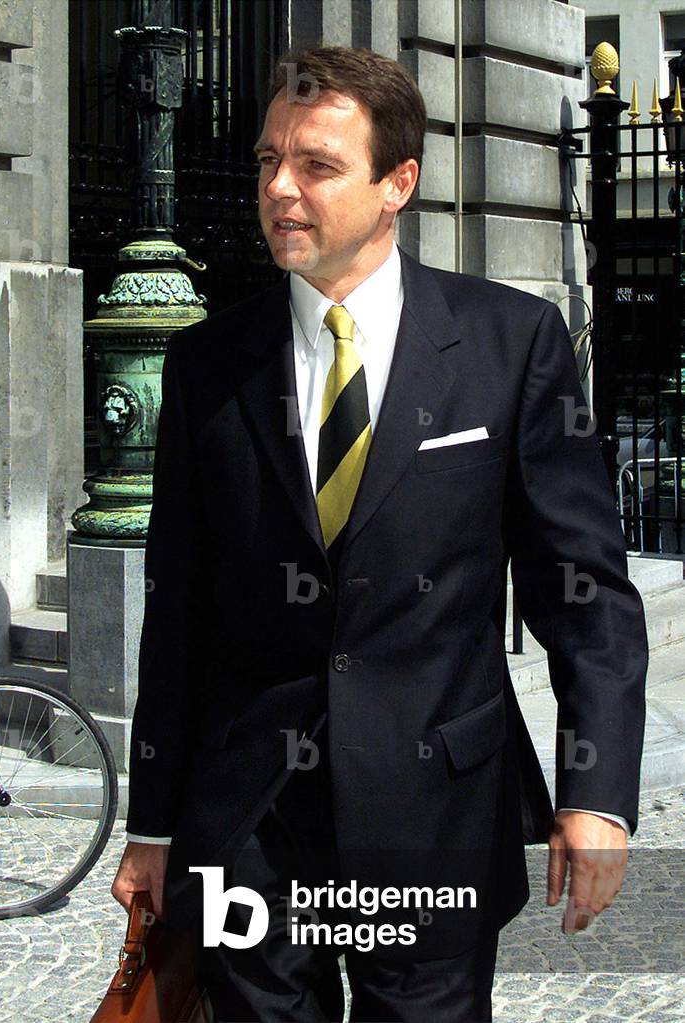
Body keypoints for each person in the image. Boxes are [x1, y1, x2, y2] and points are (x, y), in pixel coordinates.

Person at [111, 45, 648, 1022]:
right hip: (251, 823)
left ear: (398, 183)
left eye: (316, 164)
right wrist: (153, 823)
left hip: (435, 810)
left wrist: (596, 792)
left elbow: (587, 591)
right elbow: (177, 612)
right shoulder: (207, 365)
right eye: (270, 159)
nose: (280, 188)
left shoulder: (509, 344)